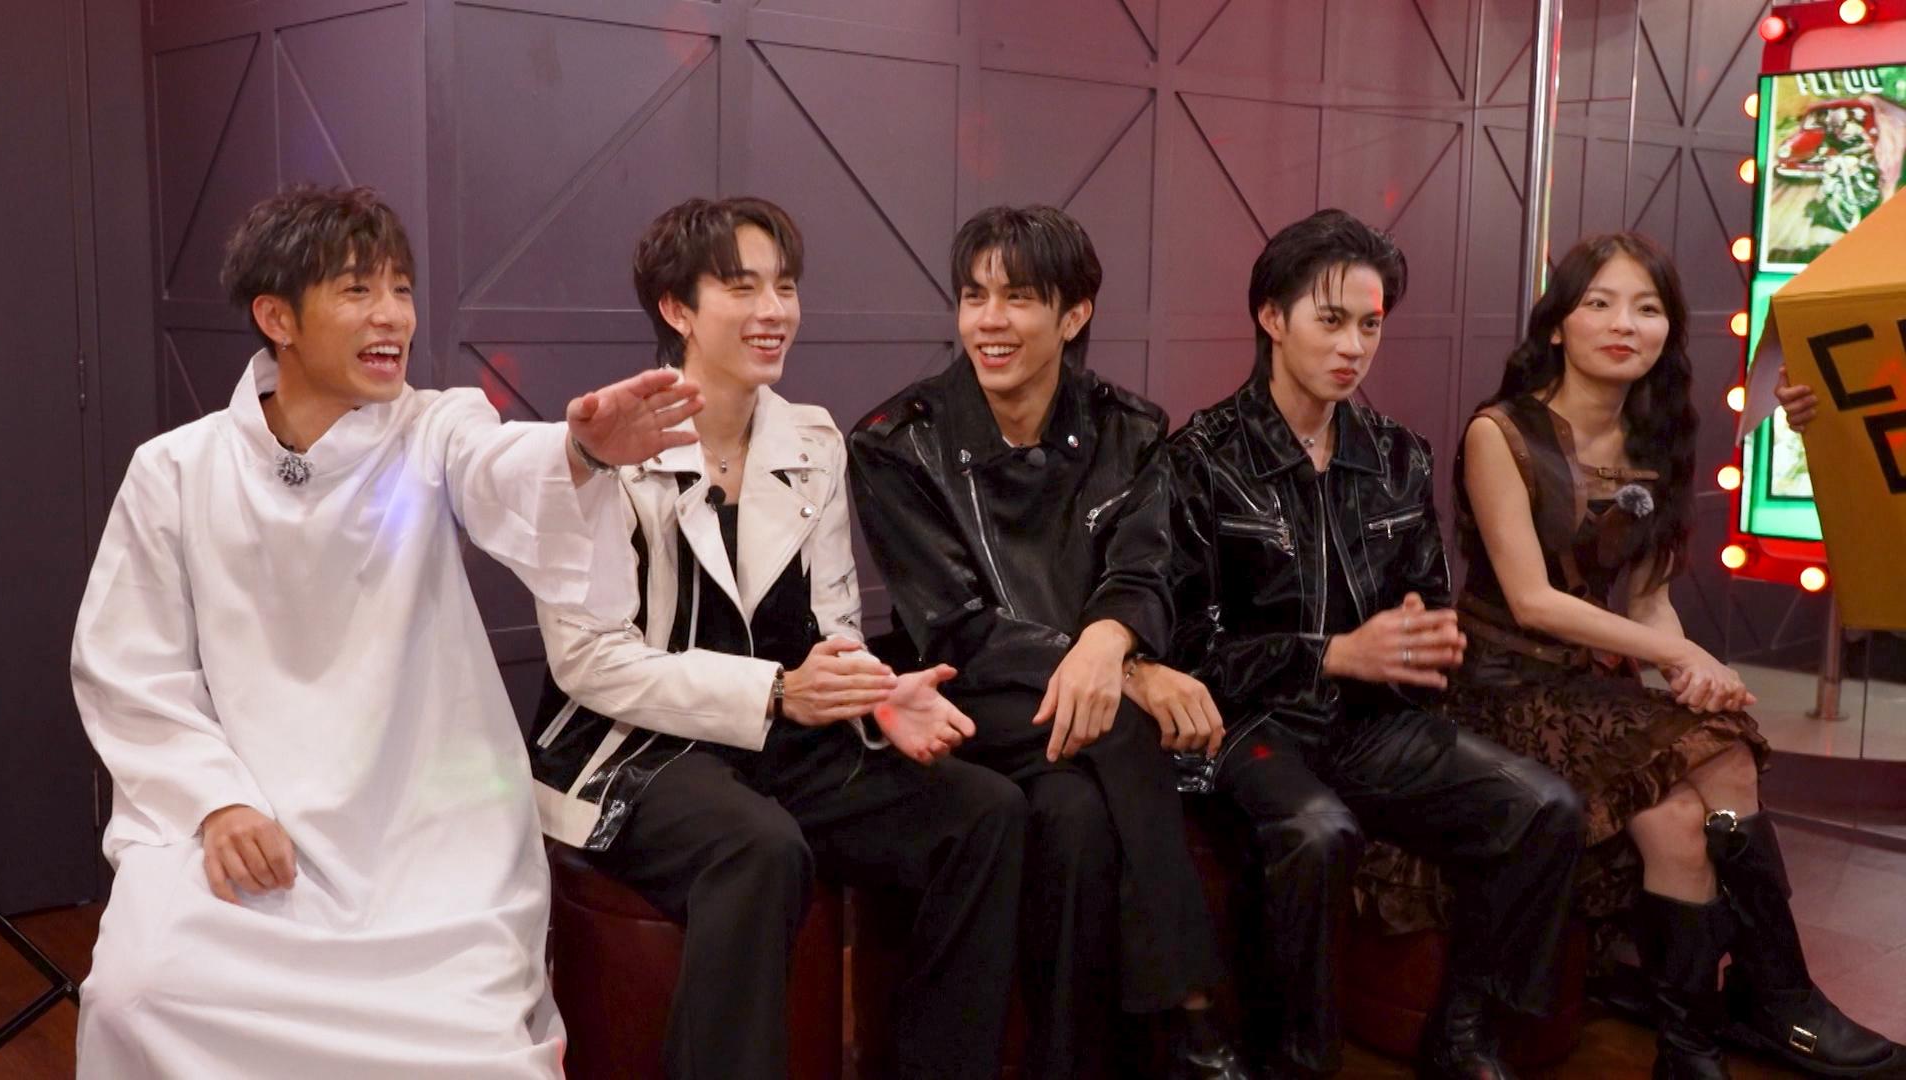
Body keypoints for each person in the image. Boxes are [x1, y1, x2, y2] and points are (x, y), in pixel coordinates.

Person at [70, 185, 702, 1078]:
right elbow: (130, 667)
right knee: (137, 996)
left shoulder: (434, 429)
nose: (393, 316)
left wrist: (583, 451)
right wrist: (215, 800)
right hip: (248, 810)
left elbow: (501, 467)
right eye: (358, 289)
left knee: (471, 1049)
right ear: (277, 318)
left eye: (401, 289)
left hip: (419, 830)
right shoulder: (176, 469)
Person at [1357, 232, 1899, 1080]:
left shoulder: (1656, 438)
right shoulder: (1501, 432)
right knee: (1725, 760)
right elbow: (1533, 601)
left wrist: (1685, 670)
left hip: (1588, 686)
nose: (1624, 324)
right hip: (1499, 683)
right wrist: (1680, 657)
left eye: (1647, 309)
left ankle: (1691, 1047)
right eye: (1600, 304)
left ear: (1668, 330)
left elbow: (1647, 601)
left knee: (1684, 812)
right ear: (1557, 325)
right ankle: (1781, 1000)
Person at [528, 197, 1025, 1080]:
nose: (774, 311)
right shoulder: (602, 445)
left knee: (984, 814)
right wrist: (775, 693)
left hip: (781, 732)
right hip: (634, 744)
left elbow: (833, 626)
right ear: (677, 309)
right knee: (758, 849)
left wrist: (876, 696)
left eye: (785, 287)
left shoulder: (813, 440)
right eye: (742, 287)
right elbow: (589, 661)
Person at [1136, 208, 1586, 1080]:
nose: (1353, 347)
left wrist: (1423, 646)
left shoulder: (1399, 458)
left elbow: (1424, 614)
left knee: (1545, 809)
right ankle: (1298, 1061)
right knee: (1316, 831)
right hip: (1246, 730)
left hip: (1370, 725)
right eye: (1331, 320)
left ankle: (1466, 1038)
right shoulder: (1199, 460)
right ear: (1273, 317)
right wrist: (1330, 654)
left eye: (1371, 325)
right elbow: (1185, 651)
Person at [849, 205, 1248, 1080]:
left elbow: (1143, 571)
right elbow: (955, 623)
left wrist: (1112, 651)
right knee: (1126, 728)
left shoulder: (1130, 429)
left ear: (1074, 315)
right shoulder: (896, 443)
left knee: (1073, 818)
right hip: (965, 690)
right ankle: (1191, 1012)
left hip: (1083, 714)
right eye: (973, 296)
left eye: (1019, 298)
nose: (989, 321)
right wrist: (1126, 674)